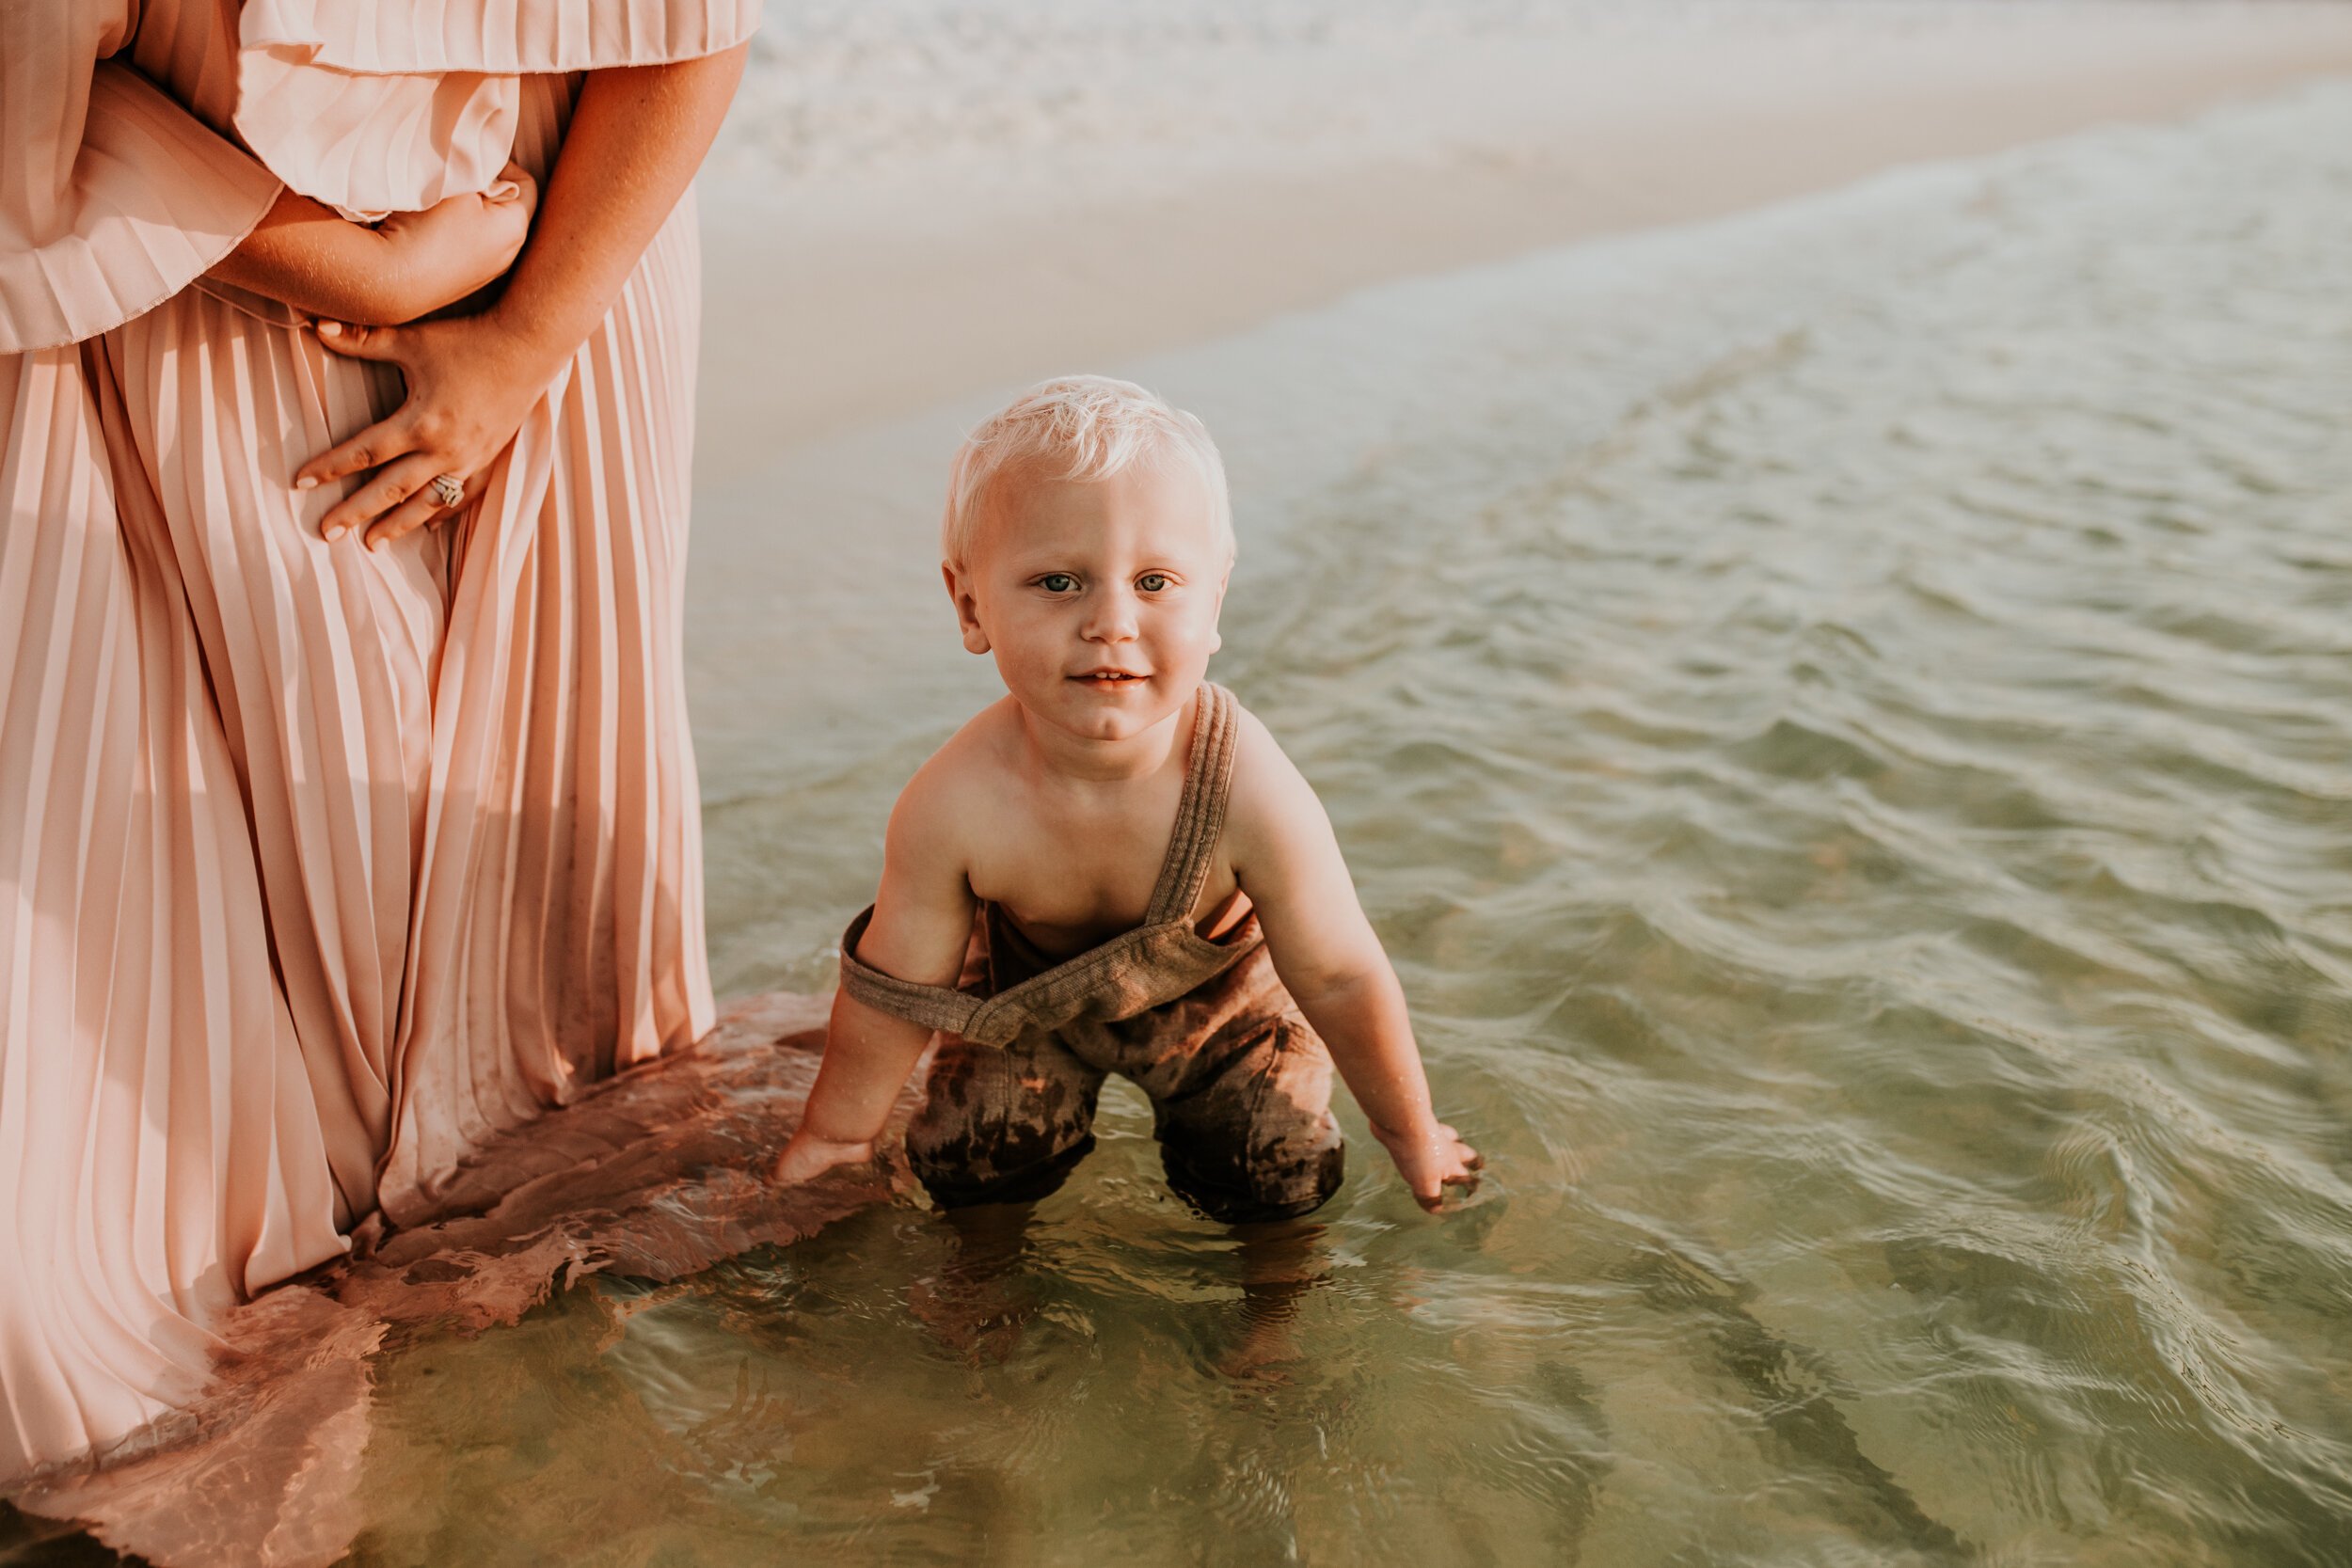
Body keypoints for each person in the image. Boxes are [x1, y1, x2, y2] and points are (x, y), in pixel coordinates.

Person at [0, 0, 750, 1481]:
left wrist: (527, 335)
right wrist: (363, 265)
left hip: (574, 266)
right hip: (189, 290)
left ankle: (522, 1436)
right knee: (248, 927)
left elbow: (692, 24)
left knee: (542, 988)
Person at [770, 376, 1482, 1226]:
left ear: (1213, 600)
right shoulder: (954, 802)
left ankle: (1273, 1315)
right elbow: (897, 988)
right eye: (1059, 583)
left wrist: (1410, 1129)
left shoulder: (1245, 784)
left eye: (1154, 582)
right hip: (1026, 1006)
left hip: (1229, 1006)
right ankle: (983, 1287)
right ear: (970, 605)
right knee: (969, 1152)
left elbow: (1336, 970)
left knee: (1273, 1166)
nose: (1111, 620)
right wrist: (839, 1134)